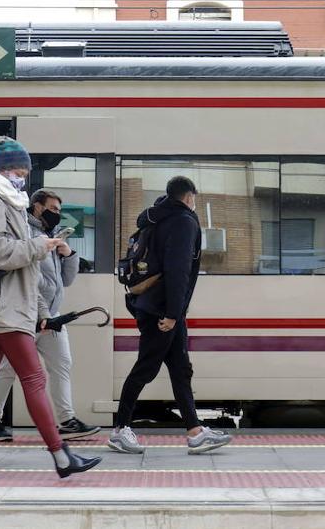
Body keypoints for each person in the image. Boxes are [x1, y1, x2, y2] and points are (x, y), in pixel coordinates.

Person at [0, 135, 101, 481]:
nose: (23, 177)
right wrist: (37, 246)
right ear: (2, 169)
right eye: (19, 169)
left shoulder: (1, 197)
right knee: (34, 377)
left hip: (2, 306)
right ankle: (61, 457)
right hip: (3, 308)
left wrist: (41, 306)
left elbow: (9, 259)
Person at [107, 176, 232, 456]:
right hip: (162, 309)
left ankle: (195, 432)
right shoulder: (184, 221)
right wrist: (174, 313)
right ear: (189, 197)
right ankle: (119, 430)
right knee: (146, 367)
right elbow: (179, 270)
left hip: (151, 303)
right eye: (194, 199)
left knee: (180, 369)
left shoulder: (154, 217)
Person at [0, 189, 102, 443]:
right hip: (25, 316)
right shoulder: (26, 235)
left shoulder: (49, 237)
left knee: (61, 365)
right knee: (8, 369)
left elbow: (65, 281)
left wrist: (69, 255)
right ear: (37, 207)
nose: (57, 214)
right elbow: (29, 283)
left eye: (59, 209)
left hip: (51, 316)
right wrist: (43, 315)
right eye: (53, 209)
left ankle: (67, 420)